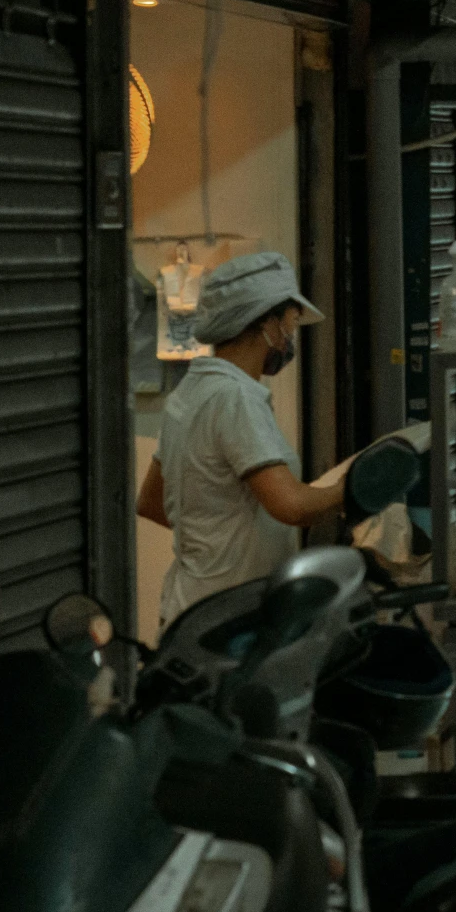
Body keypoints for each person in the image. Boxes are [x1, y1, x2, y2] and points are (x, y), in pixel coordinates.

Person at [136, 250, 344, 628]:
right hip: (230, 618)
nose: (291, 339)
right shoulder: (236, 398)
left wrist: (214, 537)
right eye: (291, 324)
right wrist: (352, 486)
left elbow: (151, 501)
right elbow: (291, 506)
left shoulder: (191, 390)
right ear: (268, 323)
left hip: (189, 606)